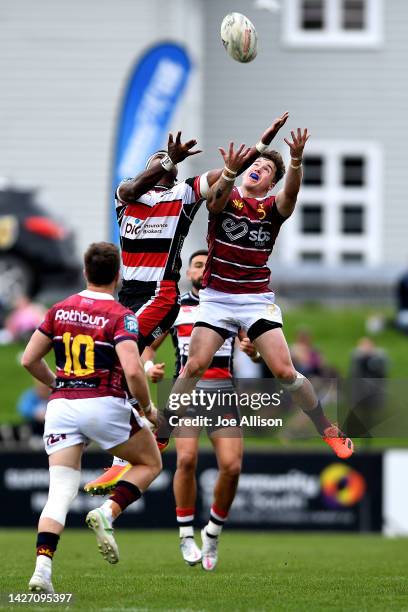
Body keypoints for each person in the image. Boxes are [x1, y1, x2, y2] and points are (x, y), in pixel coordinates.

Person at [84, 113, 290, 492]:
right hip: (126, 294)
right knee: (114, 367)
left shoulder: (183, 193)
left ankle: (123, 453)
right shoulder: (125, 197)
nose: (162, 163)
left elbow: (228, 172)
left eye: (166, 162)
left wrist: (261, 148)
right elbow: (133, 187)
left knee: (117, 354)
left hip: (160, 294)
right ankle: (138, 435)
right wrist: (167, 160)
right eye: (157, 161)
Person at [162, 130, 354, 460]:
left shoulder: (272, 207)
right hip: (217, 298)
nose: (260, 168)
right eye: (258, 163)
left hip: (255, 300)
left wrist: (294, 160)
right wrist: (230, 170)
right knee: (193, 366)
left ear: (270, 183)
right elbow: (216, 199)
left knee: (284, 372)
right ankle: (163, 432)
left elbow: (290, 195)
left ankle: (325, 427)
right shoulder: (228, 194)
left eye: (267, 169)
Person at [21, 242, 162, 593]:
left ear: (85, 271)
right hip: (103, 402)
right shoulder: (120, 315)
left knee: (60, 492)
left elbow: (28, 359)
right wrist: (147, 409)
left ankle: (42, 570)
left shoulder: (59, 309)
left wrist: (58, 383)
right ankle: (108, 512)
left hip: (62, 405)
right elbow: (132, 370)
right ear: (118, 276)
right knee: (150, 463)